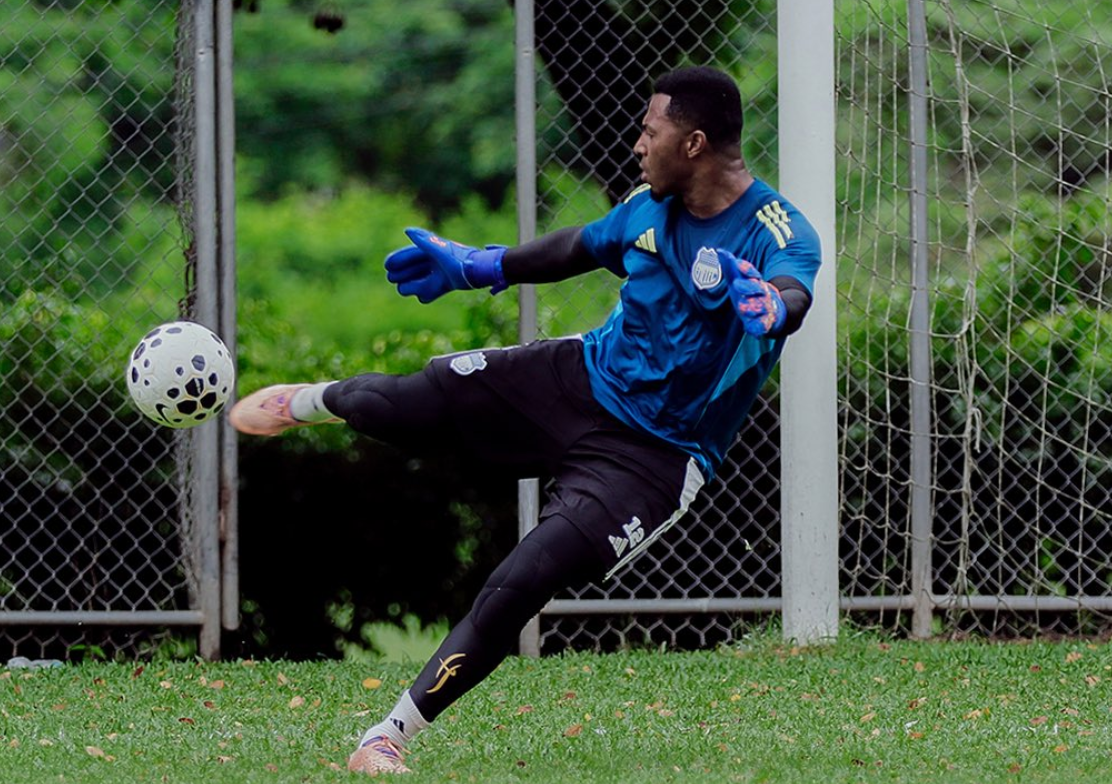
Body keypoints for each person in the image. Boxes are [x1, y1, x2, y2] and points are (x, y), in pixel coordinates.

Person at [230, 66, 821, 775]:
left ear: (693, 144)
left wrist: (774, 305)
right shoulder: (646, 207)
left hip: (654, 460)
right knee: (392, 406)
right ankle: (311, 402)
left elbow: (792, 283)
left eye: (650, 132)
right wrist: (478, 266)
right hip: (578, 380)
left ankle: (387, 736)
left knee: (522, 578)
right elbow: (578, 247)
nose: (637, 144)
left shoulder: (774, 228)